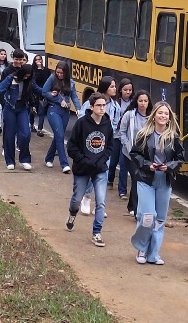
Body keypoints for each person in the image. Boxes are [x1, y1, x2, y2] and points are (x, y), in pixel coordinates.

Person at [129, 101, 184, 266]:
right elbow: (135, 154)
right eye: (160, 113)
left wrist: (169, 166)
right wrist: (148, 165)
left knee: (159, 219)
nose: (163, 116)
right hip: (146, 179)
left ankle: (153, 253)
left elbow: (180, 159)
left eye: (166, 114)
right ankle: (141, 248)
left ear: (169, 118)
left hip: (164, 180)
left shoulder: (173, 137)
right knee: (147, 216)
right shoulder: (144, 134)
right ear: (154, 116)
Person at [64, 92, 114, 248]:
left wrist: (101, 160)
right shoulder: (81, 124)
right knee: (77, 199)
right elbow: (71, 147)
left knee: (101, 202)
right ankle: (72, 214)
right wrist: (83, 160)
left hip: (100, 169)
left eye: (104, 105)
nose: (101, 108)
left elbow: (110, 147)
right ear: (91, 107)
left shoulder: (107, 124)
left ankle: (96, 232)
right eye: (98, 105)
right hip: (82, 168)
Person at [78, 76, 120, 215]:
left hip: (105, 145)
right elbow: (81, 120)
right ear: (105, 87)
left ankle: (99, 205)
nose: (115, 89)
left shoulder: (115, 106)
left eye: (115, 86)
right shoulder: (92, 102)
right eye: (112, 86)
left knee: (104, 173)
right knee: (91, 171)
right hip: (91, 144)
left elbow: (115, 125)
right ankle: (86, 197)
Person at [0, 64, 41, 170]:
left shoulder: (30, 81)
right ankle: (10, 161)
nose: (26, 78)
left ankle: (24, 159)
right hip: (10, 108)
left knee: (26, 134)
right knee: (9, 135)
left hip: (22, 108)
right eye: (25, 76)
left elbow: (39, 90)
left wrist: (50, 94)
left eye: (28, 76)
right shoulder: (11, 78)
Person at [42, 61, 81, 173]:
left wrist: (78, 109)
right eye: (57, 72)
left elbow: (74, 96)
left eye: (61, 73)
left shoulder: (71, 82)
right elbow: (44, 92)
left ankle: (48, 158)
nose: (59, 75)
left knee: (58, 136)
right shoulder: (52, 78)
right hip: (53, 109)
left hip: (66, 112)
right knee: (59, 135)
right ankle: (64, 163)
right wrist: (58, 99)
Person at [119, 90, 152, 217]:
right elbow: (122, 132)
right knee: (136, 177)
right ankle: (137, 211)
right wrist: (128, 146)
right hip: (130, 155)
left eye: (145, 101)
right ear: (136, 102)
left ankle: (131, 205)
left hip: (145, 155)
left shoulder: (152, 117)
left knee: (138, 179)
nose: (143, 103)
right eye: (140, 101)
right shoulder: (130, 115)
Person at [111, 78, 134, 196]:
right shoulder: (116, 102)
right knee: (113, 161)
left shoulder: (134, 103)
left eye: (130, 90)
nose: (128, 92)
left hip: (127, 137)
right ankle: (110, 179)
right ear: (120, 90)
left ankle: (122, 191)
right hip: (116, 135)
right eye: (125, 90)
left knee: (123, 162)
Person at [31, 55, 51, 136]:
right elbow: (35, 80)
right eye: (36, 60)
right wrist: (38, 69)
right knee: (32, 111)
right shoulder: (33, 70)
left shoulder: (46, 70)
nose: (38, 61)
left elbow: (47, 79)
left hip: (43, 93)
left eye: (39, 59)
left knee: (41, 112)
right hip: (34, 93)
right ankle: (31, 125)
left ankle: (40, 128)